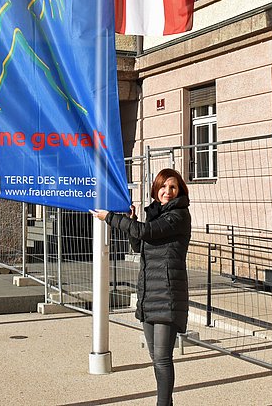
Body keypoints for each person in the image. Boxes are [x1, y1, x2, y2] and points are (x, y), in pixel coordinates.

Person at [92, 168, 191, 406]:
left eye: (173, 187)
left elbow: (146, 232)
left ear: (179, 191)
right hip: (149, 292)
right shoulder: (157, 214)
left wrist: (111, 218)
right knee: (155, 357)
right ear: (156, 190)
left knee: (162, 358)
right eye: (164, 187)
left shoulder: (178, 215)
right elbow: (140, 244)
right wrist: (133, 219)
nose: (168, 191)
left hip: (168, 293)